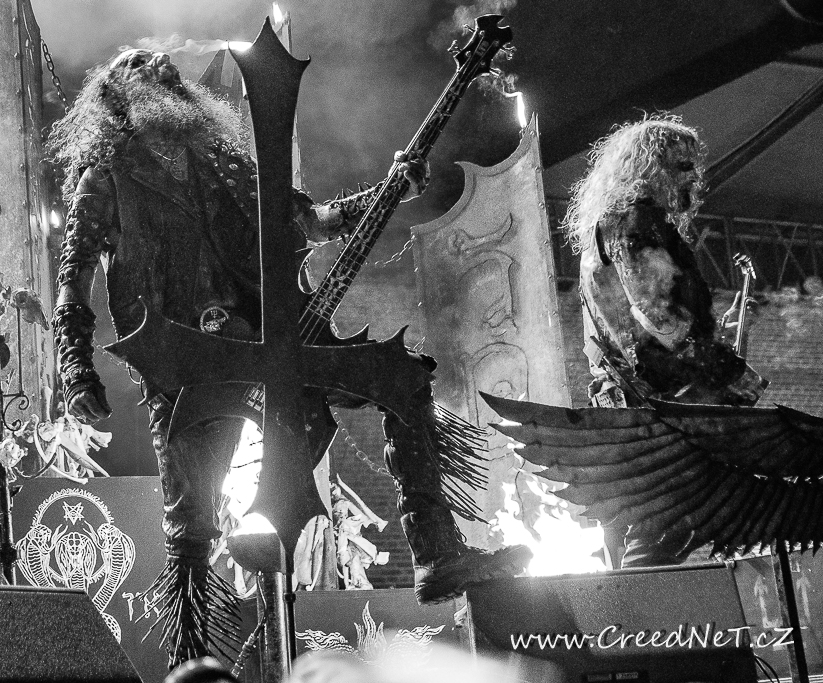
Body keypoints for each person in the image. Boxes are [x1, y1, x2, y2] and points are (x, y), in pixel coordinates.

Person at [50, 48, 528, 667]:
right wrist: (75, 365)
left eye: (162, 63)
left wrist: (389, 192)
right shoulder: (106, 178)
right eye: (138, 64)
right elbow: (74, 276)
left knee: (400, 376)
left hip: (275, 336)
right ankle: (190, 665)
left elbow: (311, 220)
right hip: (190, 359)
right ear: (115, 95)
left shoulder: (225, 163)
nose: (157, 64)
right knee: (189, 530)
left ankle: (436, 549)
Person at [562, 114, 765, 566]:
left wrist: (715, 330)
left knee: (656, 525)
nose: (694, 177)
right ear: (648, 168)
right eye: (682, 166)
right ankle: (640, 608)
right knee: (664, 527)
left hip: (633, 400)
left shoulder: (610, 225)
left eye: (695, 166)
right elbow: (652, 311)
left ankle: (633, 605)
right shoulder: (637, 219)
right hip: (659, 402)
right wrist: (723, 366)